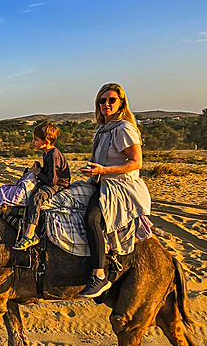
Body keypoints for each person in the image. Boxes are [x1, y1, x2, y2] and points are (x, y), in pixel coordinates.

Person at [77, 83, 152, 298]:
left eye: (111, 100)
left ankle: (99, 275)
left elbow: (136, 162)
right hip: (102, 180)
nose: (106, 104)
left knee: (92, 219)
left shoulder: (124, 129)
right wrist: (93, 168)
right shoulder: (103, 129)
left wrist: (104, 169)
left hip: (120, 187)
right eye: (102, 100)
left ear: (121, 103)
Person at [12, 121, 71, 250]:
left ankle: (31, 233)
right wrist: (38, 169)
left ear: (47, 141)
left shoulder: (54, 155)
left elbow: (52, 181)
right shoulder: (47, 153)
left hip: (59, 184)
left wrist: (38, 173)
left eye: (36, 139)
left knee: (36, 197)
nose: (33, 142)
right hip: (51, 181)